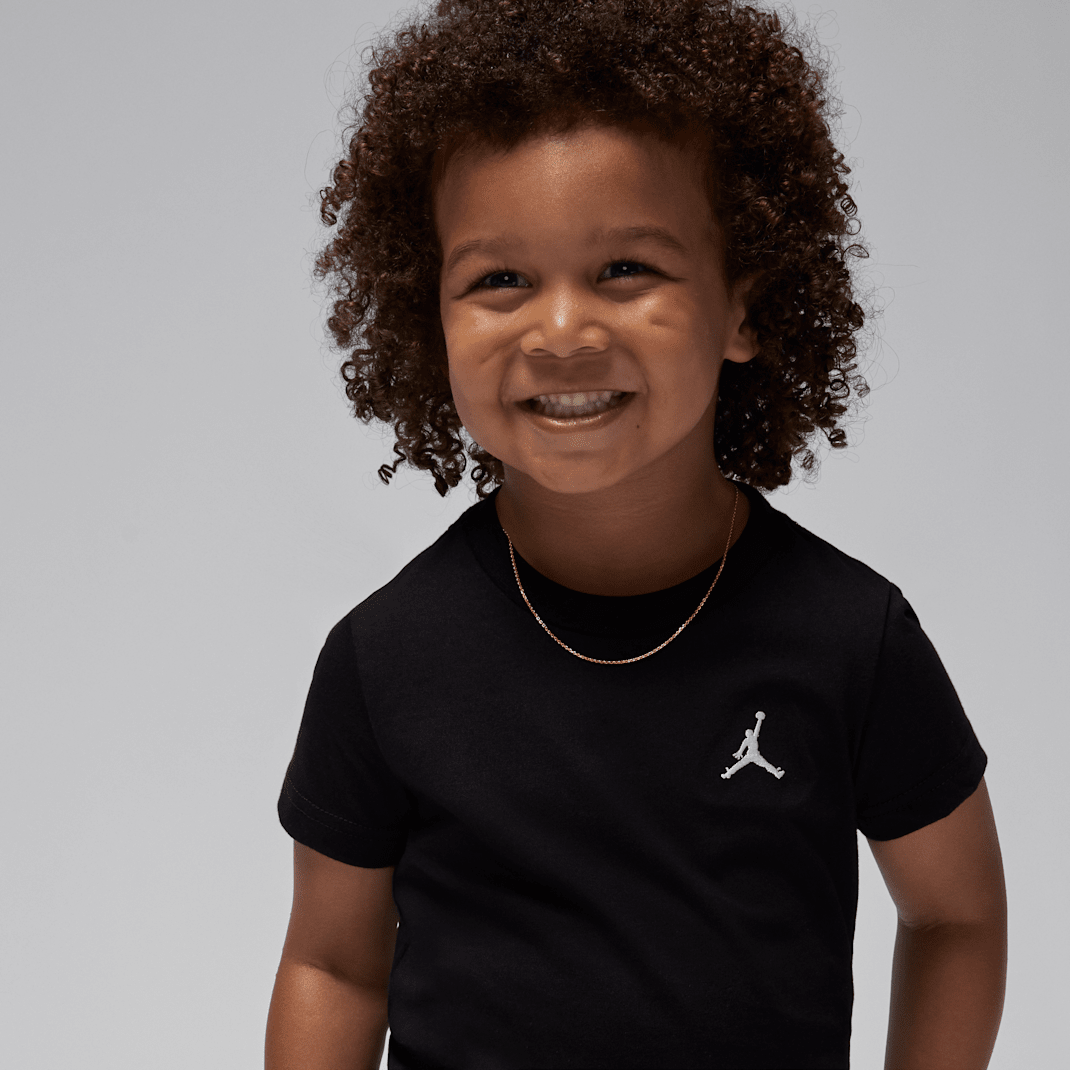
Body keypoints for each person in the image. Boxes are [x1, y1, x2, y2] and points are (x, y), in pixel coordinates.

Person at [265, 1, 1007, 1067]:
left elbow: (954, 916)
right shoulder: (385, 657)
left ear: (742, 308)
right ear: (430, 319)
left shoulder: (851, 639)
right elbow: (332, 963)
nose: (562, 329)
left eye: (625, 269)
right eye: (499, 279)